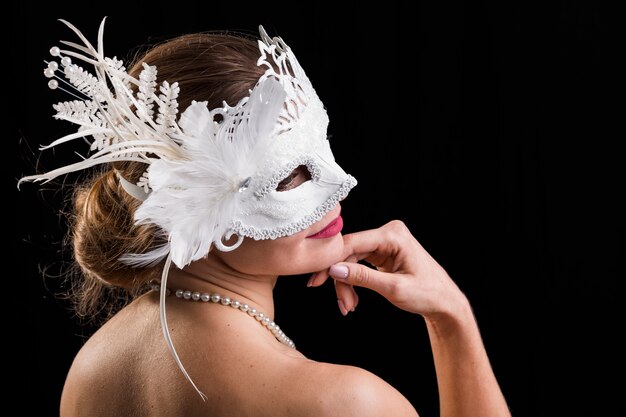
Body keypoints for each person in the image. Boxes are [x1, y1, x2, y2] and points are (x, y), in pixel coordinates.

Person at [20, 18, 511, 417]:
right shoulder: (343, 404)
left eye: (323, 149)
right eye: (289, 174)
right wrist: (452, 318)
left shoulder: (92, 369)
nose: (341, 184)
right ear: (188, 193)